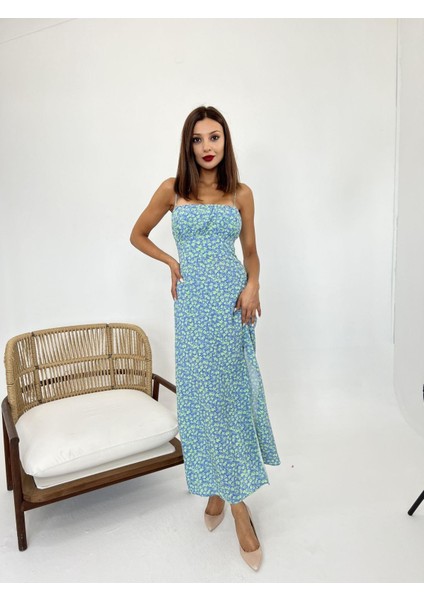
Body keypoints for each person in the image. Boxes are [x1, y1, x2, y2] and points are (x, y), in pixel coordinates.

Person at [130, 106, 280, 570]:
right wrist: (171, 262)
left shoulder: (241, 193)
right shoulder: (172, 190)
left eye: (215, 137)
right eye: (198, 139)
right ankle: (217, 487)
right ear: (188, 145)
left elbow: (251, 251)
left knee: (230, 399)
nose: (207, 146)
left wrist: (254, 284)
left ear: (225, 141)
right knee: (201, 398)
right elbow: (138, 234)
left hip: (234, 306)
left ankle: (237, 505)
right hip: (193, 309)